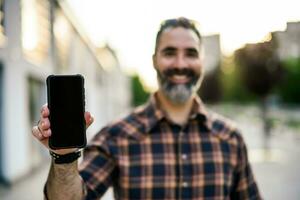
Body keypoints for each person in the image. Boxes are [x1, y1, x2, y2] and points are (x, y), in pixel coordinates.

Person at [32, 17, 262, 199]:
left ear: (201, 61)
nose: (180, 64)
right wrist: (64, 157)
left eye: (190, 54)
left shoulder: (231, 138)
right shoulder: (116, 135)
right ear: (154, 60)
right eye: (170, 53)